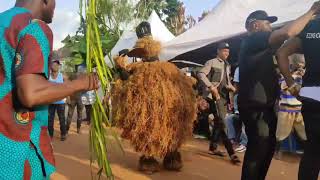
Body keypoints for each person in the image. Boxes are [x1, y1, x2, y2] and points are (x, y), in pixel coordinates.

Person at [0, 0, 99, 179]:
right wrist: (80, 84)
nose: (55, 7)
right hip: (14, 155)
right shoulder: (33, 27)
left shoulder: (3, 22)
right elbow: (31, 93)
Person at [239, 4, 320, 180]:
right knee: (257, 151)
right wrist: (312, 11)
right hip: (256, 107)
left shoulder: (260, 47)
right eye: (267, 23)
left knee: (267, 149)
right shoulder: (254, 39)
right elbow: (287, 33)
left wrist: (291, 84)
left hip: (266, 106)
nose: (270, 27)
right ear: (255, 25)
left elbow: (282, 51)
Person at [112, 21, 197, 174]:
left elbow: (184, 86)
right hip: (153, 108)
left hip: (168, 108)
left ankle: (167, 157)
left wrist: (120, 66)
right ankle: (157, 159)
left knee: (165, 128)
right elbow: (128, 82)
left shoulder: (166, 69)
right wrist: (120, 66)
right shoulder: (148, 68)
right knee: (151, 128)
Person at [277, 10, 320, 180]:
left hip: (311, 92)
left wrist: (291, 84)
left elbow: (281, 53)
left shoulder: (310, 27)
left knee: (312, 150)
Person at [198, 42, 240, 164]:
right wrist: (211, 86)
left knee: (218, 123)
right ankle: (231, 153)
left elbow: (225, 81)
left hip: (223, 98)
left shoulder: (227, 65)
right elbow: (201, 74)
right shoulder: (211, 62)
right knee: (222, 123)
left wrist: (231, 88)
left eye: (228, 51)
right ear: (218, 51)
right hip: (213, 97)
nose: (226, 53)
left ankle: (213, 148)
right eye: (224, 51)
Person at [275, 55, 307, 159]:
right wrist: (294, 75)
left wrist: (302, 76)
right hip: (285, 108)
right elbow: (283, 86)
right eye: (298, 66)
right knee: (281, 133)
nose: (300, 68)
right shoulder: (284, 76)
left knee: (303, 132)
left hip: (299, 108)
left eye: (302, 66)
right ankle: (278, 153)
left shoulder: (303, 77)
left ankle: (307, 153)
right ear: (291, 65)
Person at [225, 67, 248, 153]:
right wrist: (237, 112)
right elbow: (236, 110)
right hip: (239, 113)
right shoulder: (236, 97)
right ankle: (232, 139)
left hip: (248, 114)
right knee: (228, 118)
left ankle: (244, 144)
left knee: (245, 119)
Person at [48, 60, 67, 141]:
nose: (55, 66)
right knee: (50, 119)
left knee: (62, 118)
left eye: (57, 65)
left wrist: (67, 97)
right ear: (50, 66)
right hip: (50, 102)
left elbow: (67, 87)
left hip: (61, 102)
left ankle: (63, 134)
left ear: (59, 67)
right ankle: (50, 135)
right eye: (53, 65)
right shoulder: (48, 76)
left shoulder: (63, 76)